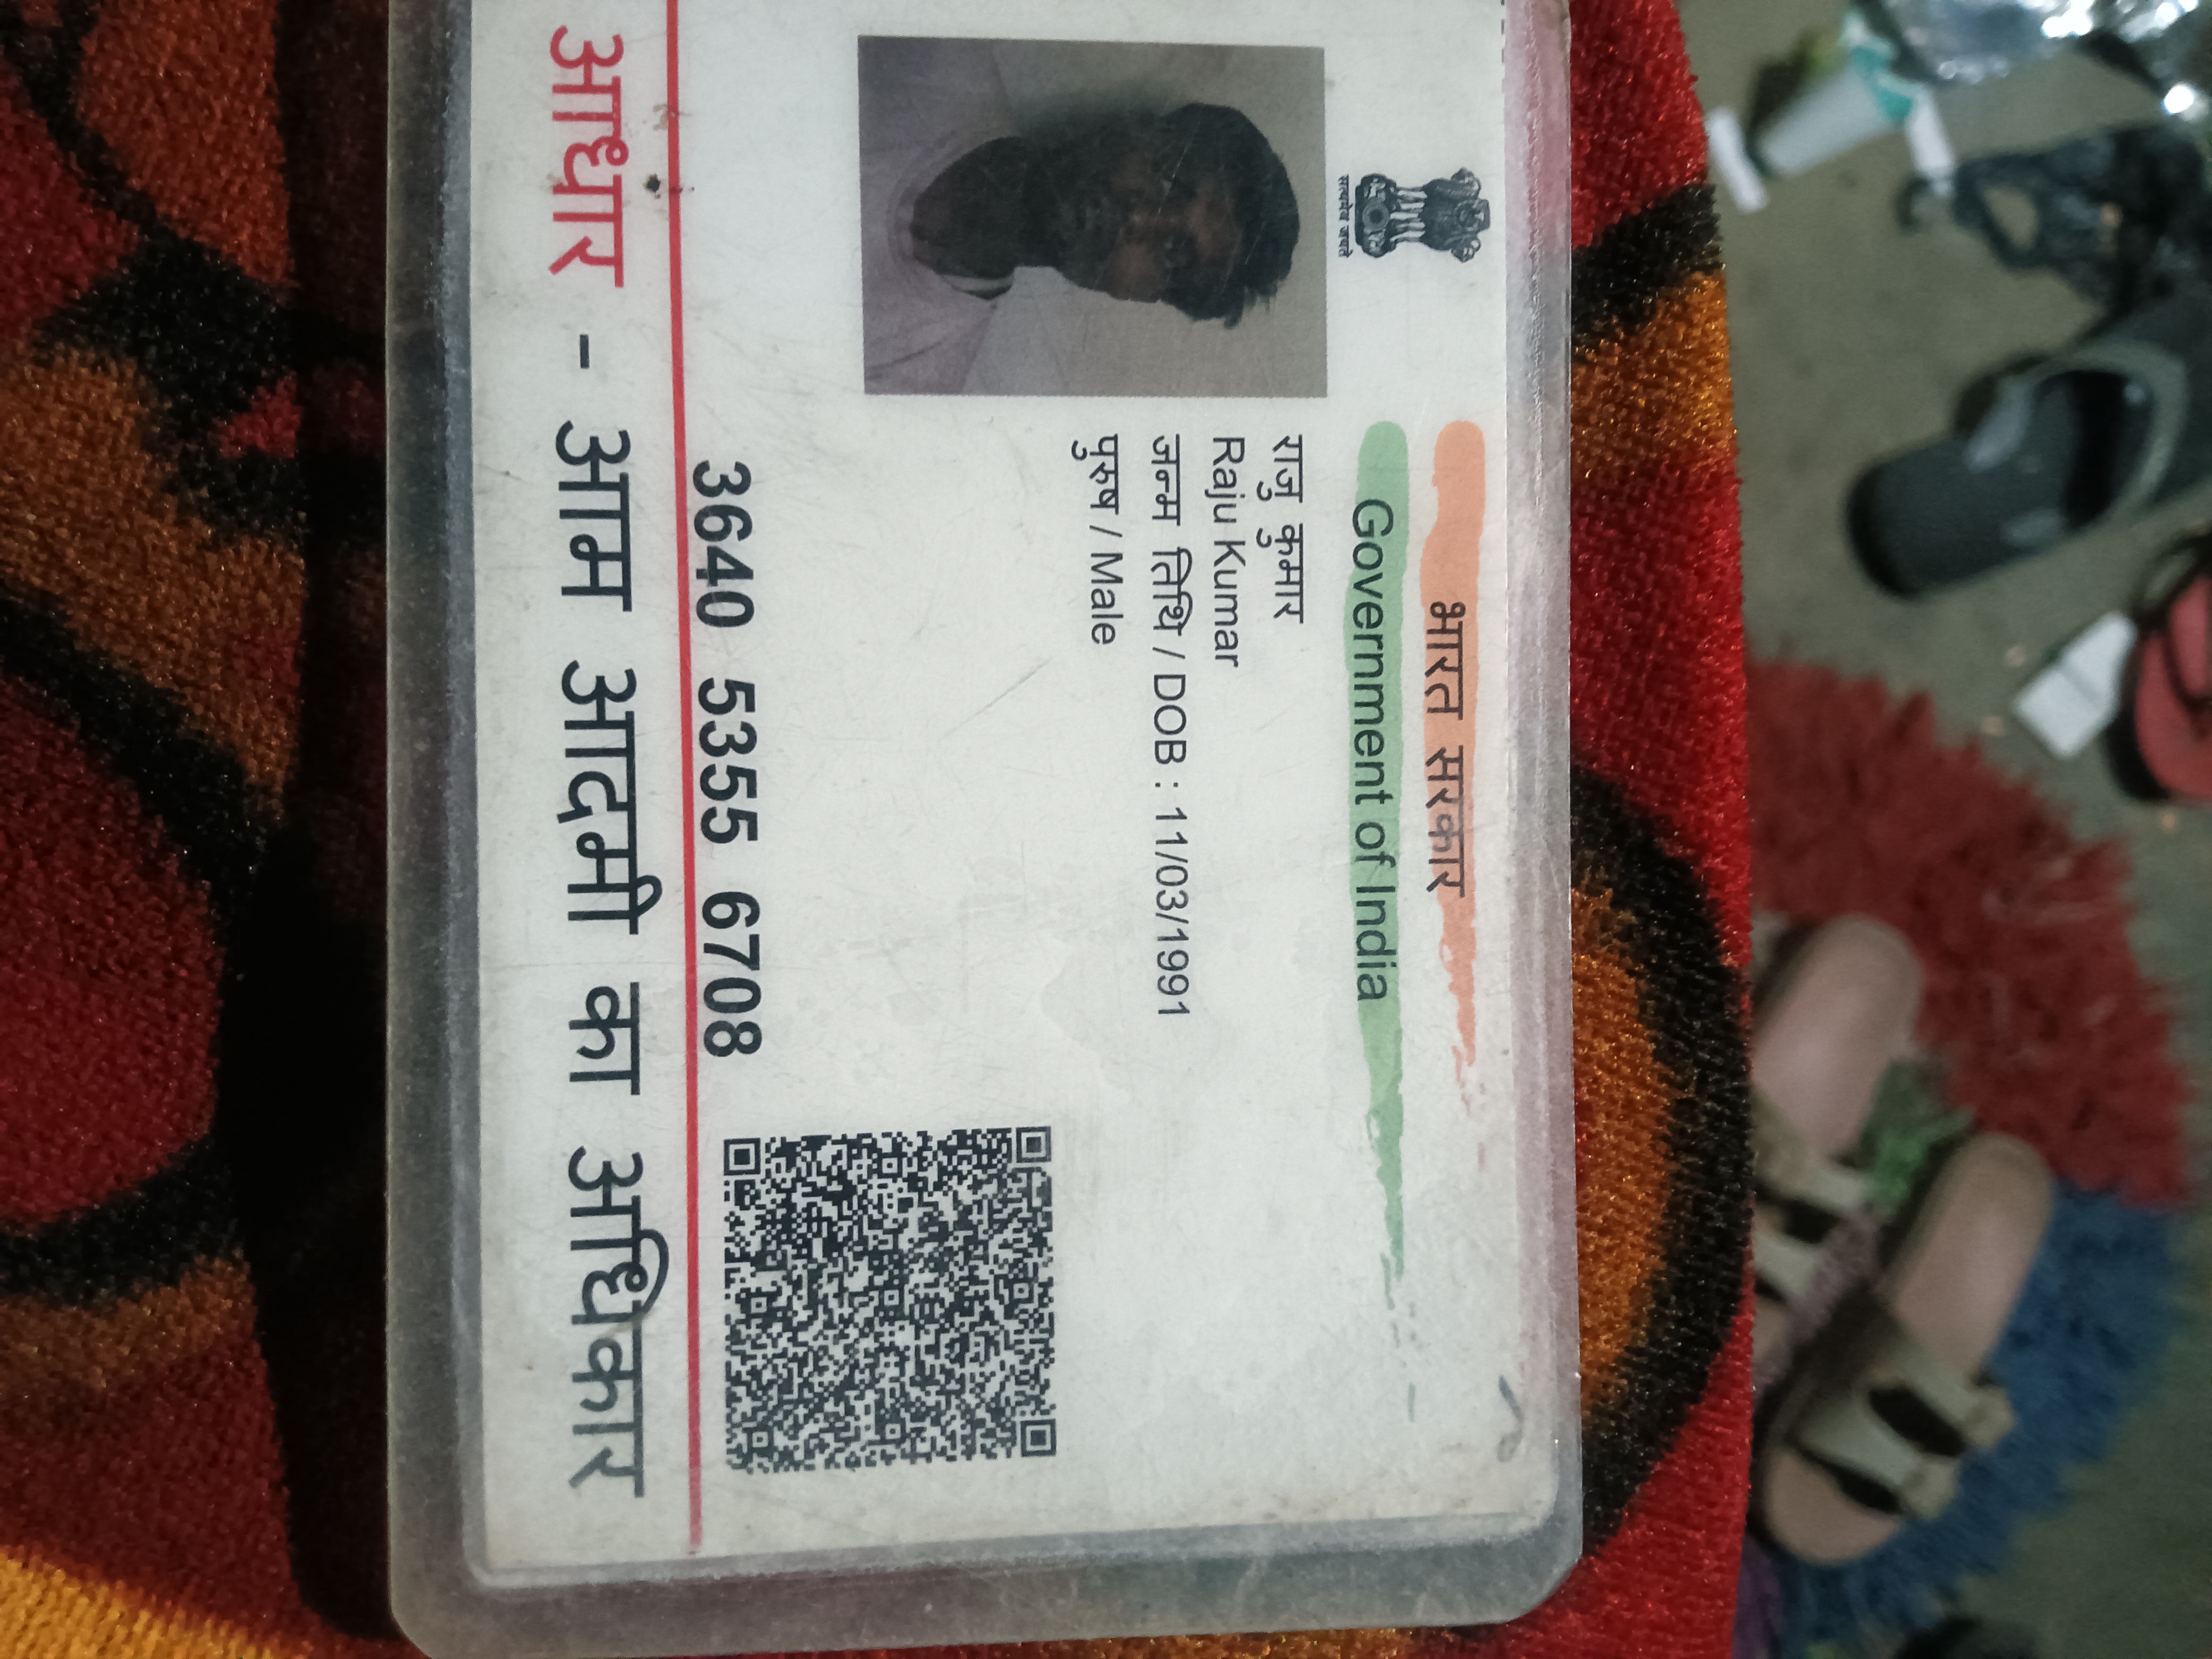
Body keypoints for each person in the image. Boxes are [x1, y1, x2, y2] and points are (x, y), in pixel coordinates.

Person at [860, 37, 1302, 394]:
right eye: (1171, 179)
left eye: (1173, 255)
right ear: (1136, 125)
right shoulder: (926, 50)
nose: (1139, 218)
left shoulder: (911, 378)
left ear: (1140, 295)